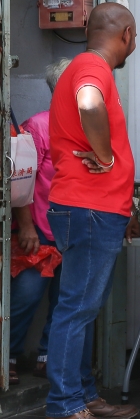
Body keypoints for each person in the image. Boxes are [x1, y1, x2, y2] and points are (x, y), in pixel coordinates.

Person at [43, 3, 140, 419]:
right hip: (87, 209)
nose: (134, 44)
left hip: (95, 208)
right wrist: (105, 157)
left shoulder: (90, 66)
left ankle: (80, 395)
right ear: (126, 34)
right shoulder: (90, 66)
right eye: (134, 37)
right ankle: (64, 406)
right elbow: (88, 102)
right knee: (76, 309)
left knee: (81, 308)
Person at [9, 58, 70, 384]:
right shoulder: (38, 126)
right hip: (39, 230)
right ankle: (8, 355)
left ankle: (49, 356)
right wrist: (27, 226)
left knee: (64, 300)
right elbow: (21, 178)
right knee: (26, 297)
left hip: (71, 229)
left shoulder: (88, 127)